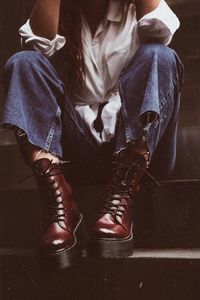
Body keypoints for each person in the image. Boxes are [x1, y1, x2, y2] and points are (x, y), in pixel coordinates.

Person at [0, 0, 183, 268]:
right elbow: (35, 46)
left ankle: (121, 198)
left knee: (160, 55)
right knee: (23, 63)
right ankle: (63, 207)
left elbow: (161, 31)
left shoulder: (134, 10)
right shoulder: (64, 15)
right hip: (78, 152)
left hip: (142, 151)